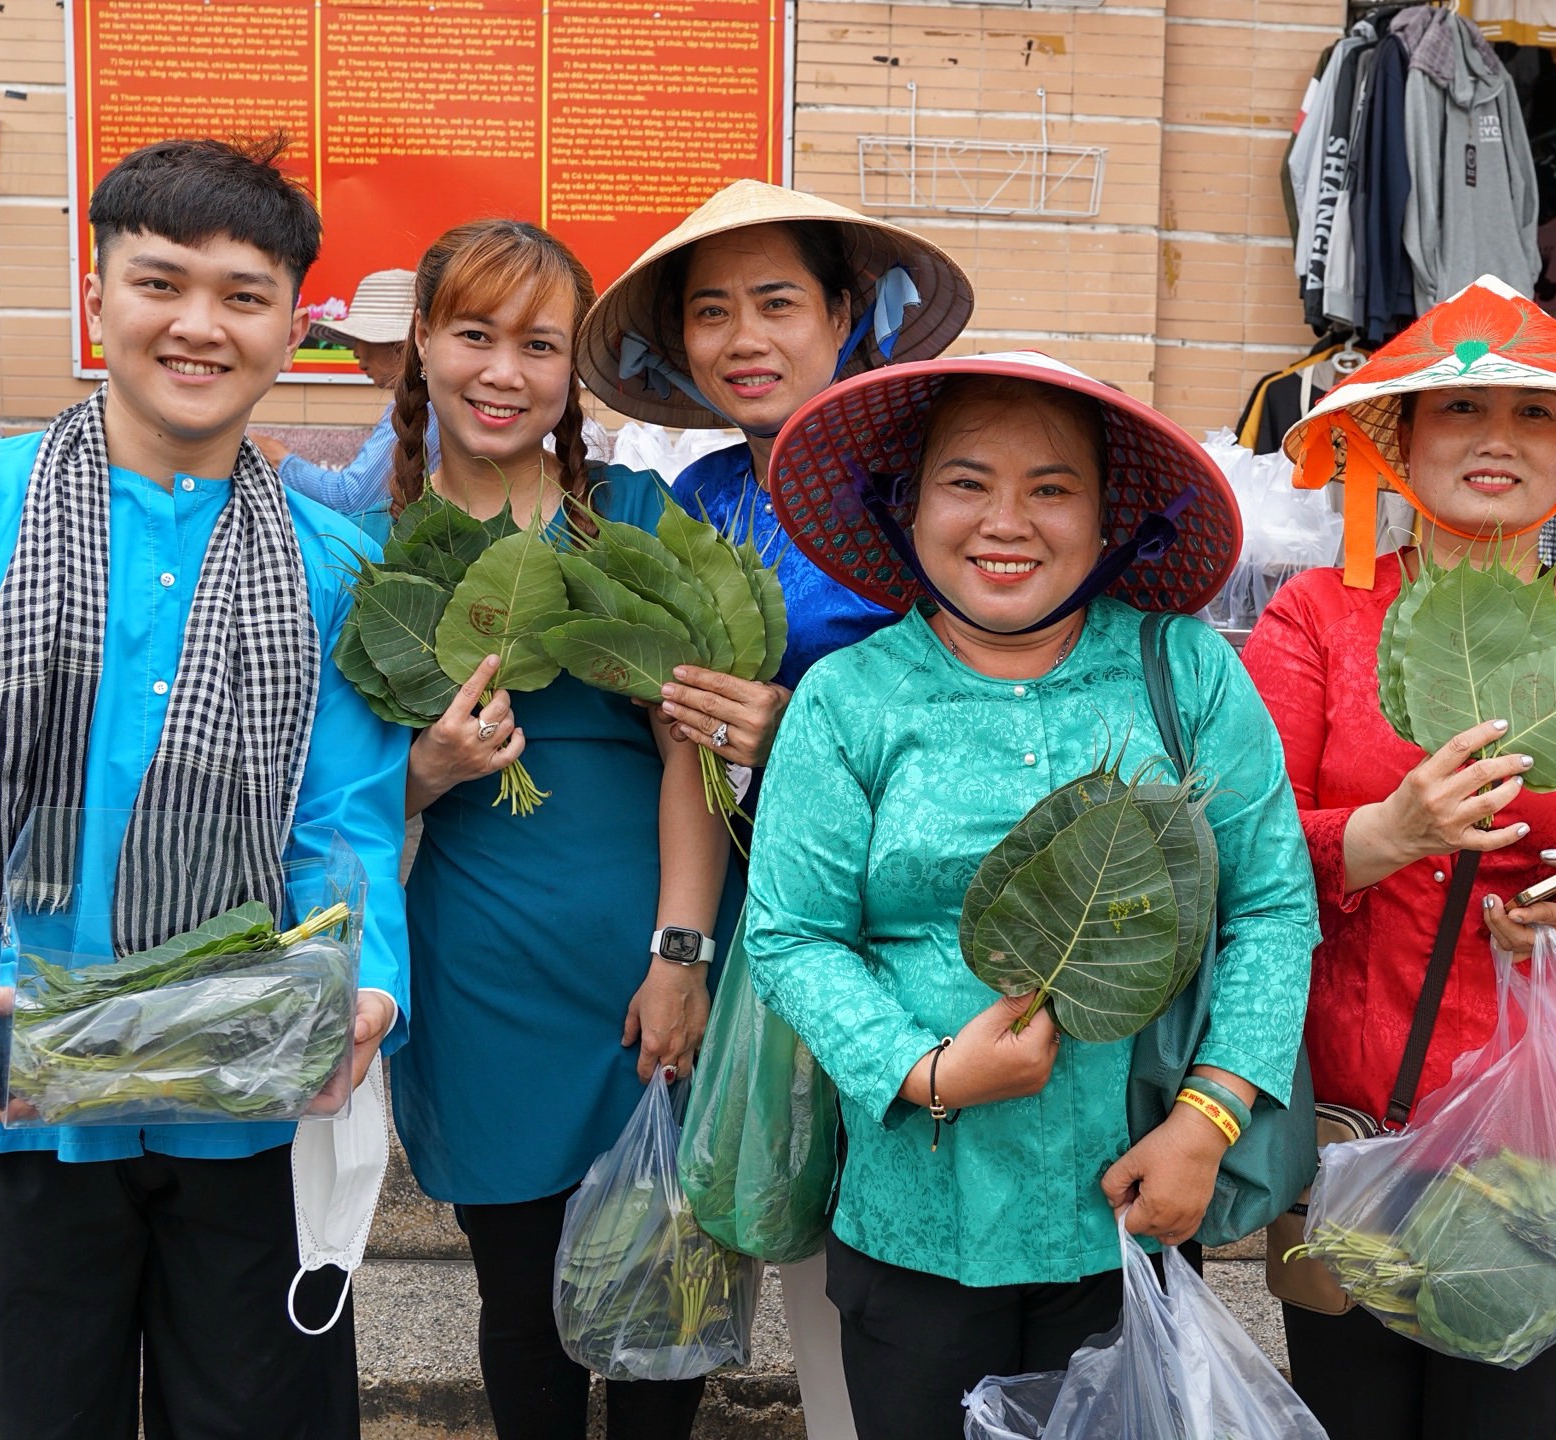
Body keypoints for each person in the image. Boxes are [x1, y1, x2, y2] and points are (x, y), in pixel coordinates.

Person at [0, 136, 409, 1439]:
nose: (199, 326)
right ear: (98, 300)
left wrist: (368, 986)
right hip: (11, 1089)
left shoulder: (335, 566)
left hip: (248, 1112)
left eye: (243, 295)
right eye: (161, 284)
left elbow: (342, 817)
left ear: (291, 326)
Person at [745, 352, 1317, 1440]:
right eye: (965, 483)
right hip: (913, 1215)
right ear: (906, 507)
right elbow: (793, 934)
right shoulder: (848, 700)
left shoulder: (1185, 673)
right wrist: (925, 1070)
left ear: (1107, 519)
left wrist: (1207, 1118)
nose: (1005, 521)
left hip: (1129, 1201)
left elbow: (1269, 909)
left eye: (1051, 488)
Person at [1247, 274, 1556, 1439]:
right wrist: (1380, 837)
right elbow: (1242, 843)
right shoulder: (1314, 619)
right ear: (1400, 441)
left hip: (1552, 1125)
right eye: (1459, 411)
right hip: (1359, 1117)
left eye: (1533, 416)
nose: (1494, 441)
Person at [572, 178, 976, 1439]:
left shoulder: (927, 489)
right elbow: (687, 743)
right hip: (764, 924)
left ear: (848, 311)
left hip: (920, 943)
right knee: (790, 1213)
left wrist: (802, 730)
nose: (742, 338)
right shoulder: (703, 502)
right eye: (709, 312)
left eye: (776, 302)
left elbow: (993, 726)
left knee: (910, 1263)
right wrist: (682, 951)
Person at [376, 219, 731, 1440]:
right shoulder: (382, 548)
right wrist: (426, 768)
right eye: (472, 334)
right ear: (421, 344)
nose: (503, 372)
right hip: (482, 971)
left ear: (569, 369)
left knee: (661, 1281)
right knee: (520, 1300)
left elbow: (692, 743)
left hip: (647, 952)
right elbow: (345, 795)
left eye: (537, 344)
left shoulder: (630, 515)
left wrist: (680, 956)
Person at [260, 267, 421, 525]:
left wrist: (280, 459)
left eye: (360, 339)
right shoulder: (426, 403)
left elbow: (350, 498)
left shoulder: (424, 407)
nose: (356, 353)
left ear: (399, 345)